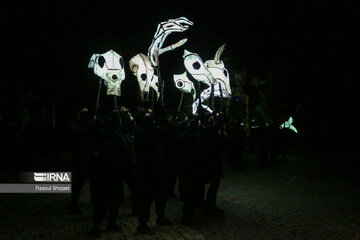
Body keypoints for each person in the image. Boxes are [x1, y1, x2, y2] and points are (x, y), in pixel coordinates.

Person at [133, 111, 172, 234]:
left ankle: (160, 216)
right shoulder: (139, 134)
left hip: (158, 170)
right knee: (146, 199)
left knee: (161, 195)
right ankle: (142, 224)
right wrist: (157, 135)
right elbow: (148, 146)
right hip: (146, 171)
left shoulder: (152, 132)